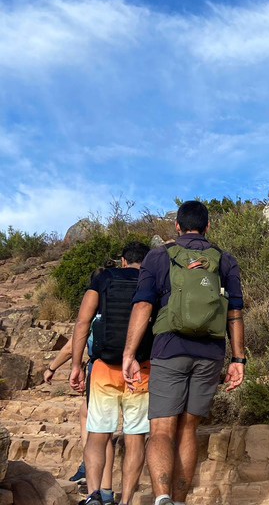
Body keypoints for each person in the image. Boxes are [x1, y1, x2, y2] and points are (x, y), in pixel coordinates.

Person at [122, 201, 245, 505]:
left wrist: (130, 353)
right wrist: (238, 359)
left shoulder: (158, 256)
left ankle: (162, 498)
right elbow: (235, 312)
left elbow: (143, 305)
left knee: (161, 428)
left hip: (169, 348)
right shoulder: (224, 260)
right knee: (188, 428)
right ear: (207, 227)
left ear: (177, 226)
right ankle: (178, 501)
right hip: (211, 351)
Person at [70, 242, 153, 505]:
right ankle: (126, 500)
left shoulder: (104, 278)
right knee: (135, 438)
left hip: (104, 368)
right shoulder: (153, 279)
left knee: (97, 435)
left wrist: (75, 365)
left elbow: (83, 322)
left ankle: (94, 496)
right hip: (141, 370)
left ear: (123, 260)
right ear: (147, 261)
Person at [44, 264, 117, 501]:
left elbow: (72, 343)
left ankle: (96, 482)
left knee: (98, 426)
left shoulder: (95, 309)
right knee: (88, 414)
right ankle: (103, 487)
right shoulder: (126, 302)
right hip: (136, 368)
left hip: (101, 369)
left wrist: (53, 367)